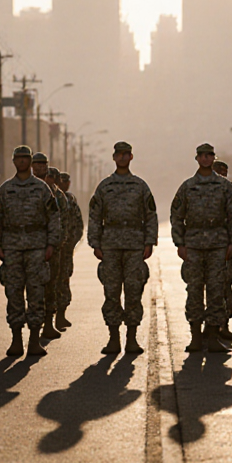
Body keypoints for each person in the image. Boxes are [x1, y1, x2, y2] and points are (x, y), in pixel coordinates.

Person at [171, 144, 232, 354]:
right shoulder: (187, 187)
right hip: (194, 245)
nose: (206, 159)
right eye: (202, 156)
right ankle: (195, 337)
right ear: (197, 159)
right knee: (194, 290)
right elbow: (176, 216)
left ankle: (213, 335)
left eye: (210, 155)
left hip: (218, 245)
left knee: (216, 291)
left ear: (213, 158)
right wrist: (180, 243)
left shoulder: (225, 187)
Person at [87, 141, 158, 356]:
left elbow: (150, 216)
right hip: (110, 246)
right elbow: (94, 216)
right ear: (114, 157)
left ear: (131, 157)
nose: (123, 158)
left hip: (135, 246)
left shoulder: (140, 186)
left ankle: (132, 339)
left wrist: (149, 242)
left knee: (134, 292)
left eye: (126, 154)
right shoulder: (104, 187)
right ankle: (113, 338)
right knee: (111, 292)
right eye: (119, 154)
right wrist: (95, 243)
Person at [0, 145, 61, 356]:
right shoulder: (4, 189)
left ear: (30, 161)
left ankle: (34, 340)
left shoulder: (42, 189)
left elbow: (53, 218)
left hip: (37, 248)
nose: (21, 162)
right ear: (13, 162)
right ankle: (16, 339)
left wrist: (51, 244)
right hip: (11, 249)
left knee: (36, 294)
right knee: (14, 295)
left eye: (25, 158)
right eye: (18, 158)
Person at [32, 153, 70, 341]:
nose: (39, 167)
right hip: (29, 247)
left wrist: (58, 244)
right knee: (31, 287)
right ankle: (32, 327)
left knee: (51, 286)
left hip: (52, 249)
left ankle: (48, 323)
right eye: (36, 163)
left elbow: (63, 220)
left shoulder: (57, 195)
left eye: (42, 164)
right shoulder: (19, 189)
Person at [211, 159, 232, 343]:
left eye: (224, 171)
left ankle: (223, 324)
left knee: (224, 287)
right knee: (204, 288)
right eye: (218, 170)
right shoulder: (196, 188)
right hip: (204, 248)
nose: (221, 174)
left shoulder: (230, 190)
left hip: (224, 249)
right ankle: (207, 326)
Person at [55, 170, 85, 331]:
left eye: (67, 181)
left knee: (64, 280)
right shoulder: (51, 196)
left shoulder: (70, 199)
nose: (66, 183)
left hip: (65, 249)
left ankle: (61, 315)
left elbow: (78, 223)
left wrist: (72, 242)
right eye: (63, 180)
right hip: (51, 249)